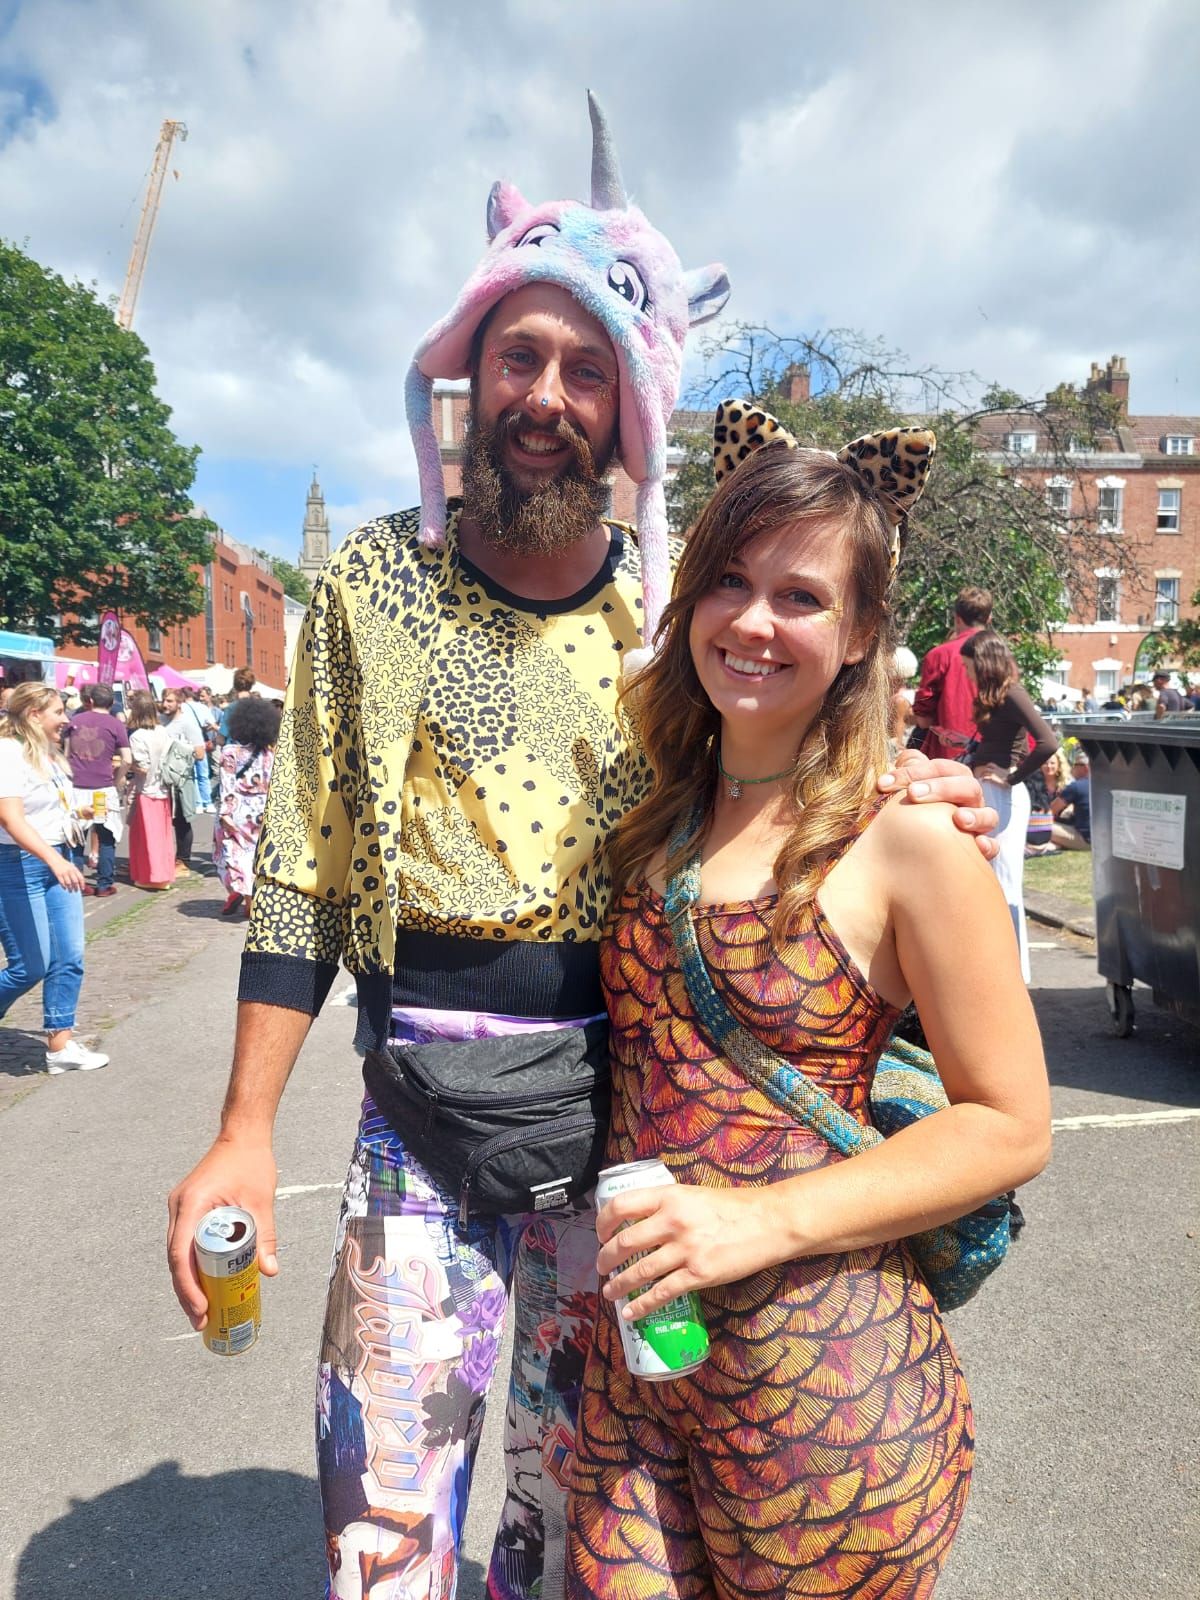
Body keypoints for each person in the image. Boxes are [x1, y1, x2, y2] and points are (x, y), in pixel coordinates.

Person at [165, 95, 999, 1600]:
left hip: (620, 1151)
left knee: (576, 1541)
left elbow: (790, 738)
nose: (547, 391)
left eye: (586, 366)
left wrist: (918, 782)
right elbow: (301, 867)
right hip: (411, 1125)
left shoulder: (665, 618)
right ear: (465, 380)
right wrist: (240, 1127)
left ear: (633, 407)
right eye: (517, 355)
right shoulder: (371, 586)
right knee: (385, 1523)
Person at [566, 411, 1050, 1599]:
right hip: (639, 1362)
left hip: (827, 1402)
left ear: (861, 633)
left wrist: (760, 1222)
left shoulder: (910, 835)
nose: (753, 621)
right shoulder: (654, 813)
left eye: (801, 596)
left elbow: (1010, 1123)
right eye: (729, 581)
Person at [0, 684, 109, 1073]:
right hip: (19, 865)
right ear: (33, 715)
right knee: (29, 965)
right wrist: (53, 858)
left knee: (69, 956)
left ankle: (60, 1047)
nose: (67, 719)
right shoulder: (8, 752)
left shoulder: (47, 753)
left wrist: (77, 825)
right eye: (58, 711)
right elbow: (11, 819)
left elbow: (48, 807)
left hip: (58, 857)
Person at [961, 630, 1059, 981]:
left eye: (969, 666)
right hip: (994, 790)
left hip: (1002, 793)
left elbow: (1048, 742)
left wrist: (1012, 777)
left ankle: (1011, 974)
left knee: (1002, 883)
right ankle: (1007, 971)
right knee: (996, 881)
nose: (968, 674)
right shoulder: (1001, 696)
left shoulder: (1012, 694)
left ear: (984, 663)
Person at [213, 696, 280, 918]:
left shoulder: (230, 753)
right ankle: (256, 900)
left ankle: (246, 897)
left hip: (239, 808)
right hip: (261, 810)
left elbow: (227, 786)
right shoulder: (270, 755)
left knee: (236, 855)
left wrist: (225, 813)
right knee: (257, 855)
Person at [65, 682, 131, 898]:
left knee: (77, 837)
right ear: (112, 702)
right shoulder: (115, 724)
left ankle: (78, 882)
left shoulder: (74, 721)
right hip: (102, 789)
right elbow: (127, 759)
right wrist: (117, 779)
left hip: (77, 788)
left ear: (90, 701)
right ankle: (104, 884)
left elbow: (65, 755)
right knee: (105, 836)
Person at [912, 585, 992, 758]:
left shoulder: (939, 654)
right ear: (989, 618)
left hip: (947, 755)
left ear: (957, 619)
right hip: (991, 759)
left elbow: (923, 717)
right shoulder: (1004, 657)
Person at [125, 692, 178, 891]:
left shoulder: (138, 736)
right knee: (162, 836)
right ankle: (163, 874)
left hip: (146, 789)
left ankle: (151, 876)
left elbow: (143, 767)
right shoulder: (162, 731)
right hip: (163, 788)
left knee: (147, 836)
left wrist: (129, 767)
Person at [159, 688, 204, 877]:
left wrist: (177, 749)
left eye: (170, 701)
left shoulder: (187, 724)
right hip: (163, 778)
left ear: (179, 703)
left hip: (182, 778)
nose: (165, 704)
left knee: (182, 820)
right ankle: (164, 857)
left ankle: (183, 859)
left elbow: (200, 753)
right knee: (164, 819)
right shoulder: (160, 722)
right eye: (164, 700)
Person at [1050, 752, 1092, 850]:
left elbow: (1050, 811)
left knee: (1037, 825)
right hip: (1104, 840)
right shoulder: (1104, 785)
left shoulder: (1076, 786)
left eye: (1075, 765)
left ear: (1085, 767)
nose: (1072, 769)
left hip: (1085, 841)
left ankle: (1048, 846)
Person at [217, 667, 256, 742]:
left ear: (235, 685)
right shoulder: (261, 708)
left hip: (235, 750)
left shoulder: (231, 708)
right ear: (251, 684)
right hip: (255, 751)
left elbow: (221, 740)